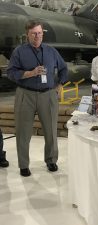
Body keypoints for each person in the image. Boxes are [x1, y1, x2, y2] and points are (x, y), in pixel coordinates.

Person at [7, 20, 68, 177]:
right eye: (34, 33)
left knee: (50, 131)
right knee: (23, 132)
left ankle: (51, 160)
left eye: (40, 33)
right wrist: (30, 73)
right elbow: (11, 73)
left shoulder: (51, 51)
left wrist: (60, 84)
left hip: (48, 95)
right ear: (27, 34)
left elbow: (63, 68)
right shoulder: (19, 52)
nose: (37, 36)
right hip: (25, 94)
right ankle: (23, 165)